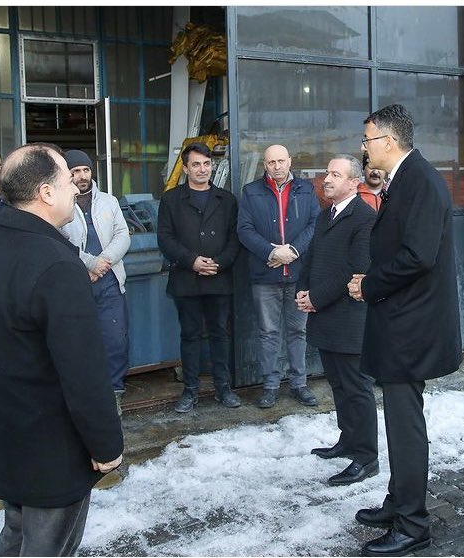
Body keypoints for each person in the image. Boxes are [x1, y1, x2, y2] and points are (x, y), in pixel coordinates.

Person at [0, 144, 124, 556]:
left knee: (16, 533)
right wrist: (106, 446)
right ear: (46, 193)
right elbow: (82, 370)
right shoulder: (57, 264)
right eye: (68, 179)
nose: (74, 188)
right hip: (49, 448)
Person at [348, 104, 462, 556]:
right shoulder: (407, 178)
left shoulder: (420, 181)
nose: (363, 147)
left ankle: (413, 525)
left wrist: (369, 284)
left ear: (388, 142)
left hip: (410, 328)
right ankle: (398, 503)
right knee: (398, 425)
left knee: (405, 427)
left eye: (367, 139)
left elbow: (418, 256)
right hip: (401, 321)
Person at [296, 154, 379, 486]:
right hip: (325, 317)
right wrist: (303, 289)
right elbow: (313, 255)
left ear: (353, 183)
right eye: (325, 172)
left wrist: (316, 297)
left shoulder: (365, 218)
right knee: (338, 385)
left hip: (349, 319)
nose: (326, 179)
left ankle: (366, 456)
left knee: (356, 388)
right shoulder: (325, 214)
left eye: (334, 174)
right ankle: (348, 440)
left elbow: (355, 268)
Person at [157, 142, 241, 413]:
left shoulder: (227, 200)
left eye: (207, 164)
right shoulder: (171, 199)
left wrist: (218, 263)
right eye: (196, 164)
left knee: (221, 334)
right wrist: (192, 261)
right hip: (186, 279)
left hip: (219, 277)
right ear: (186, 168)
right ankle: (190, 391)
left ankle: (223, 388)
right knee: (190, 335)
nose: (202, 169)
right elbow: (165, 238)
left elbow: (235, 238)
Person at [238, 144, 320, 409]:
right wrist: (271, 253)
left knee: (298, 331)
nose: (276, 166)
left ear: (290, 161)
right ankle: (270, 386)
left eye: (281, 161)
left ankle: (299, 384)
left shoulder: (306, 189)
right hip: (266, 273)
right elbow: (245, 230)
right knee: (268, 333)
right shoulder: (251, 192)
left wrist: (294, 250)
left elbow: (314, 224)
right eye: (271, 162)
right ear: (265, 164)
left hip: (299, 273)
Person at [59, 150, 131, 416]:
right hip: (77, 281)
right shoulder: (59, 203)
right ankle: (83, 396)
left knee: (115, 339)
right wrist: (90, 263)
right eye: (75, 171)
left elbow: (123, 234)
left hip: (110, 279)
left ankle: (114, 393)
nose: (81, 176)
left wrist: (104, 261)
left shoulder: (109, 201)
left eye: (85, 170)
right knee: (79, 340)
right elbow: (58, 239)